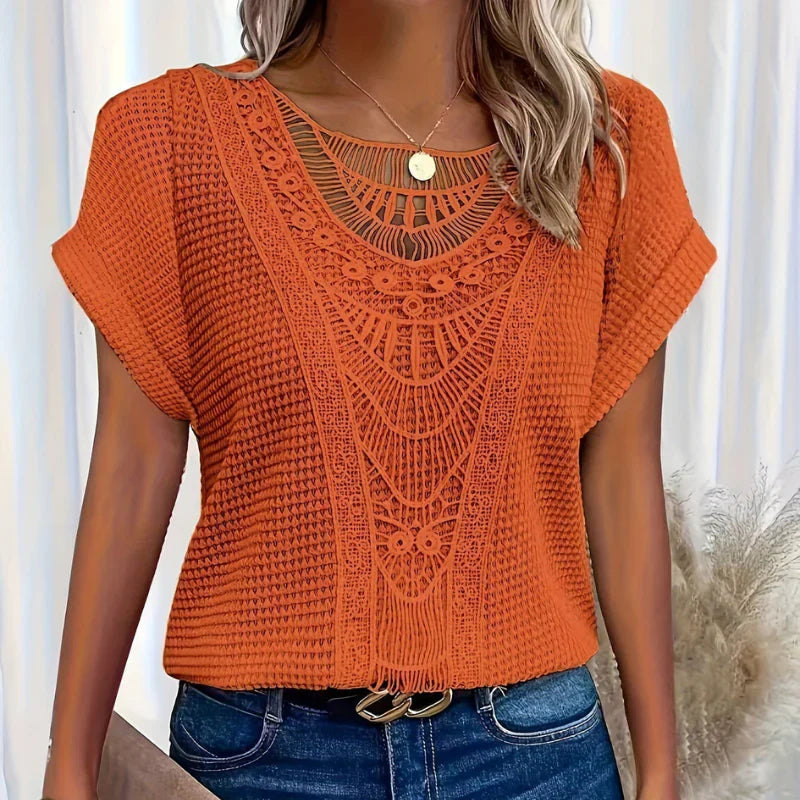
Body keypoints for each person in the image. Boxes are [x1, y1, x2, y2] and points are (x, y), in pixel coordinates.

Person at [43, 1, 718, 798]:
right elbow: (132, 462)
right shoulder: (166, 137)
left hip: (537, 758)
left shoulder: (607, 142)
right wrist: (70, 764)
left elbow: (621, 470)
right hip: (265, 762)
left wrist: (662, 773)